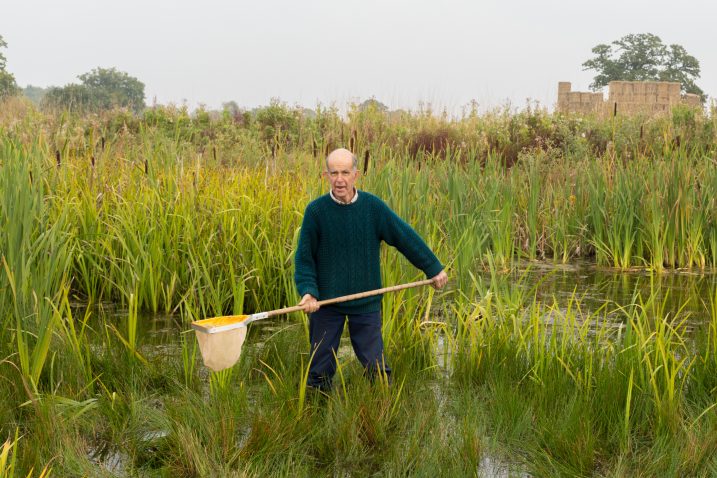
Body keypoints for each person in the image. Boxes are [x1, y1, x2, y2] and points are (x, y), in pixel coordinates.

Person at [294, 148, 448, 392]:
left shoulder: (373, 208)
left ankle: (383, 415)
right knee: (319, 372)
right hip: (326, 304)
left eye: (345, 172)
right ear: (326, 175)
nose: (340, 179)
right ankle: (316, 418)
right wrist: (309, 292)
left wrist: (433, 268)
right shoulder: (316, 212)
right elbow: (304, 259)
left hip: (365, 302)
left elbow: (404, 237)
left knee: (377, 371)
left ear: (356, 174)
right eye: (334, 173)